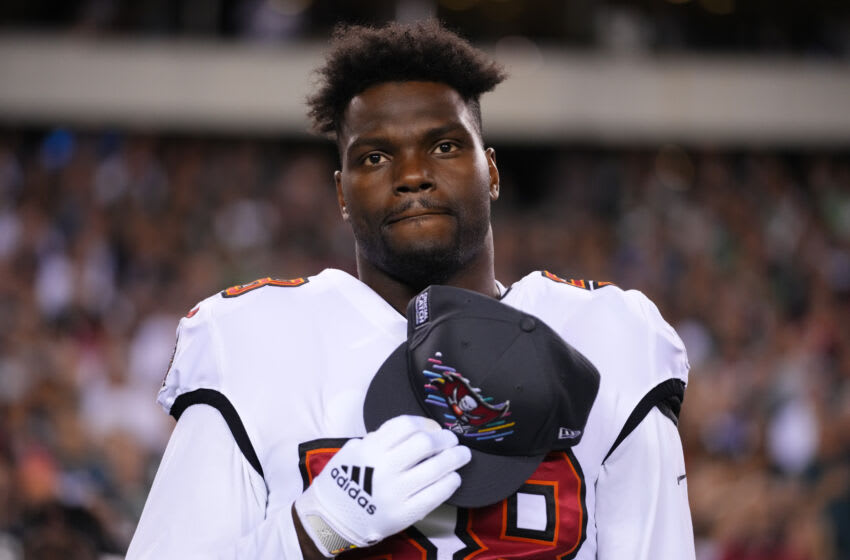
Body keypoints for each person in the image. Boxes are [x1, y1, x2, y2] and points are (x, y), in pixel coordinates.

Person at [127, 20, 695, 559]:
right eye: (375, 157)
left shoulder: (607, 336)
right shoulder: (251, 341)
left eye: (445, 146)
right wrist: (312, 530)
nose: (412, 174)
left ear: (491, 172)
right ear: (342, 195)